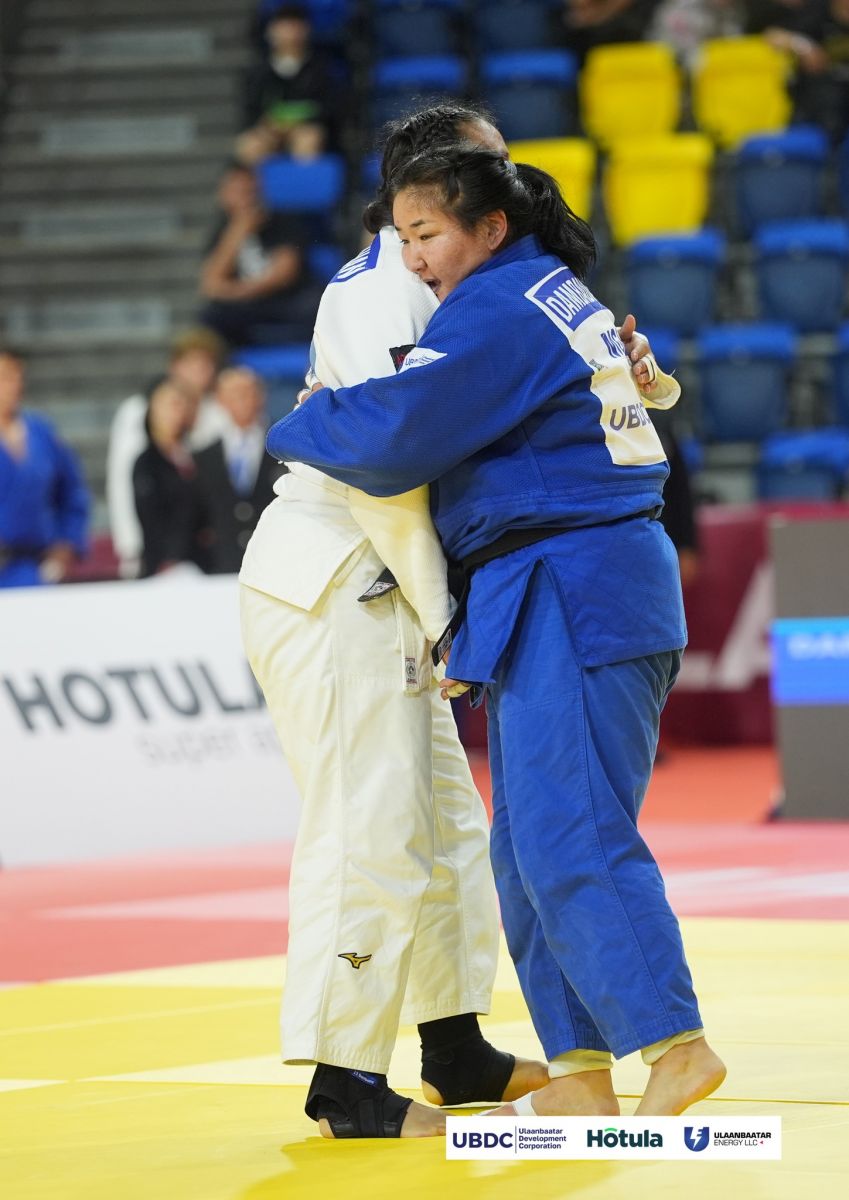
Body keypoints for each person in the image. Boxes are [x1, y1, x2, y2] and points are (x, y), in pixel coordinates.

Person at [266, 146, 726, 1119]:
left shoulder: (499, 307)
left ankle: (675, 1045)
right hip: (550, 583)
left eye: (427, 233)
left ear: (489, 225)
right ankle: (580, 1070)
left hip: (576, 581)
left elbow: (398, 436)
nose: (414, 257)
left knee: (571, 833)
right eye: (403, 236)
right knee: (524, 849)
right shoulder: (546, 291)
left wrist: (302, 422)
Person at [107, 327, 227, 578]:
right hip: (155, 553)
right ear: (174, 366)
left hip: (202, 556)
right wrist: (130, 547)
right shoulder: (136, 411)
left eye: (206, 365)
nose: (199, 373)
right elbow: (122, 484)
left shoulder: (217, 414)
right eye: (192, 364)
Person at [198, 162, 323, 348]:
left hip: (285, 300)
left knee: (316, 306)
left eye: (249, 191)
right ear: (224, 196)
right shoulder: (222, 231)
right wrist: (238, 231)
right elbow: (210, 283)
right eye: (237, 192)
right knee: (210, 317)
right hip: (246, 306)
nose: (246, 198)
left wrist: (237, 292)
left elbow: (283, 274)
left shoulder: (282, 221)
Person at [0, 346, 89, 588]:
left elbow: (72, 492)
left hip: (36, 570)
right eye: (6, 377)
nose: (15, 385)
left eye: (19, 377)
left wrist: (67, 543)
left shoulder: (41, 433)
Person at [195, 367, 283, 574]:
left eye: (249, 391)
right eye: (234, 393)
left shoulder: (284, 449)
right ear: (220, 400)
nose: (243, 398)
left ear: (262, 396)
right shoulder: (203, 456)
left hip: (274, 563)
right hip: (220, 566)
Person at [237, 2, 341, 165]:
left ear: (306, 30)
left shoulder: (322, 69)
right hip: (270, 131)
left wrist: (296, 125)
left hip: (306, 129)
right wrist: (268, 126)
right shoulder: (258, 72)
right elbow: (250, 110)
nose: (290, 34)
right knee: (249, 145)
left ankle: (301, 182)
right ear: (271, 31)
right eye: (284, 27)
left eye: (295, 27)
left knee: (307, 142)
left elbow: (329, 109)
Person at [132, 377, 210, 578]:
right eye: (172, 404)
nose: (178, 411)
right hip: (164, 568)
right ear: (153, 410)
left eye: (182, 404)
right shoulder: (147, 463)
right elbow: (151, 519)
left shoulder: (196, 457)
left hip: (201, 566)